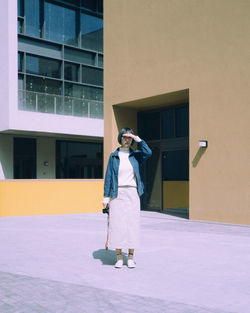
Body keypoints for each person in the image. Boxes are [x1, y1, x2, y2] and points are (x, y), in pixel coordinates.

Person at [103, 127, 152, 268]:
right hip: (116, 194)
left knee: (132, 225)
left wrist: (139, 140)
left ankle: (130, 257)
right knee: (117, 225)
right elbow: (108, 178)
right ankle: (119, 257)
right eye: (124, 137)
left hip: (132, 193)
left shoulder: (136, 155)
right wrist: (105, 197)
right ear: (120, 138)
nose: (127, 139)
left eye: (129, 137)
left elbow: (148, 152)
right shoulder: (113, 156)